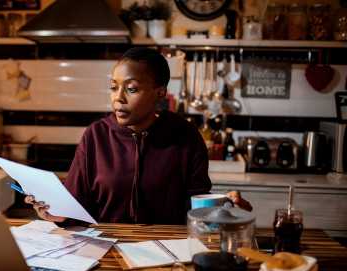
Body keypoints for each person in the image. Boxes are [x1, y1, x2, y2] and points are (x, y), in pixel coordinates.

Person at [25, 47, 252, 224]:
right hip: (105, 249)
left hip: (168, 251)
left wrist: (225, 207)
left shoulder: (185, 136)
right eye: (114, 87)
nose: (118, 98)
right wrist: (57, 213)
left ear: (160, 92)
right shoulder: (96, 135)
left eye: (131, 89)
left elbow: (198, 207)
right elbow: (76, 204)